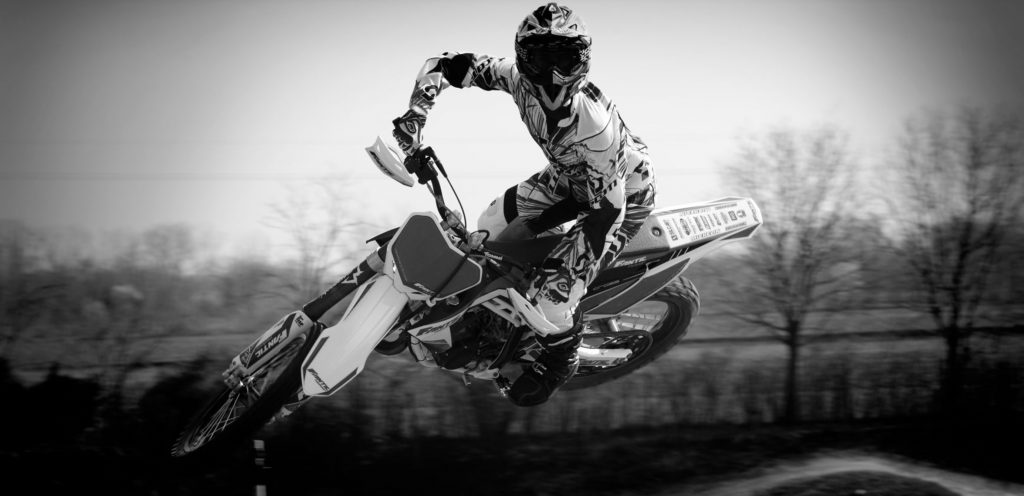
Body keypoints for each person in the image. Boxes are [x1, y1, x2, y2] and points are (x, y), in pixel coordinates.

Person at [392, 3, 656, 407]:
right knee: (490, 227)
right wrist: (415, 115)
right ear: (521, 57)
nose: (552, 75)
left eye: (564, 59)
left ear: (582, 60)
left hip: (620, 197)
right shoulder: (515, 78)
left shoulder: (594, 127)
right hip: (568, 176)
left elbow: (602, 210)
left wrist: (535, 227)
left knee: (551, 298)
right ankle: (498, 314)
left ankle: (561, 358)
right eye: (540, 59)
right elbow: (443, 65)